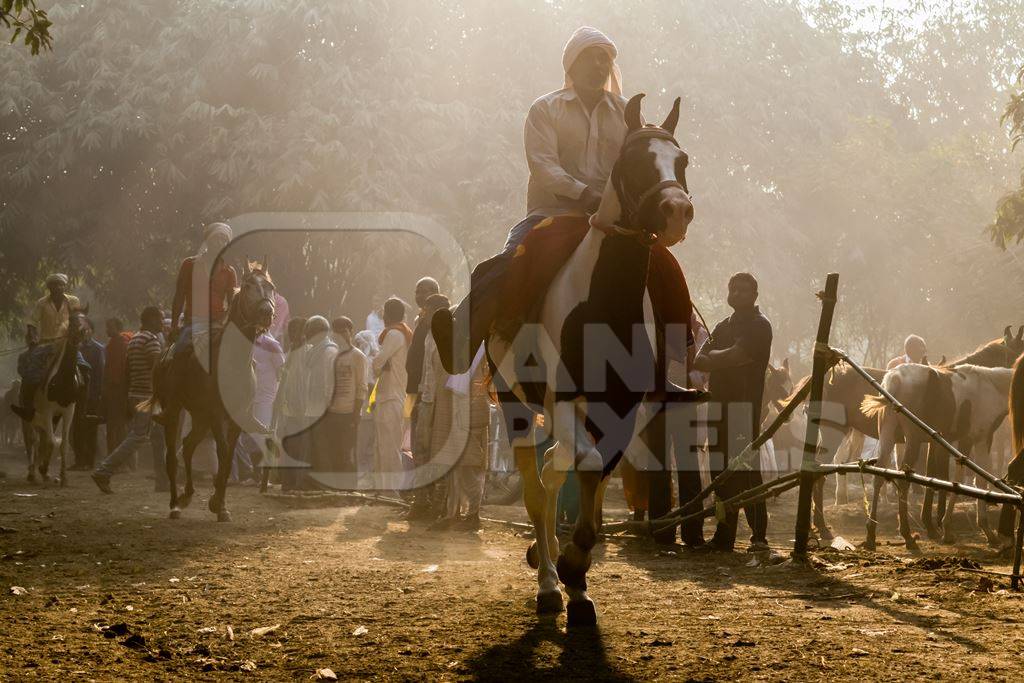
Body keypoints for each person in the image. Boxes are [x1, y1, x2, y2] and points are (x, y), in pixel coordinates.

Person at [432, 26, 628, 374]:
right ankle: (460, 337)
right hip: (553, 212)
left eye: (606, 58)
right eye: (592, 57)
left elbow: (635, 164)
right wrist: (586, 194)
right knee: (510, 262)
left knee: (658, 267)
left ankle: (679, 358)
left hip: (609, 217)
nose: (601, 64)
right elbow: (543, 167)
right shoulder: (546, 109)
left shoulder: (626, 114)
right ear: (572, 64)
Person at [692, 273, 773, 553]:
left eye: (743, 289)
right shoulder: (721, 326)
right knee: (720, 473)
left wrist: (717, 359)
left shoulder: (760, 327)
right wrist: (724, 358)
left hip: (744, 407)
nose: (737, 293)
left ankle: (758, 536)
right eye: (733, 289)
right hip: (719, 406)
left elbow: (735, 356)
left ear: (754, 294)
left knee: (746, 472)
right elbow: (699, 360)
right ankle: (724, 535)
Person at [91, 307, 168, 493]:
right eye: (160, 319)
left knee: (158, 437)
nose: (162, 324)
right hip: (147, 396)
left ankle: (163, 481)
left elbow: (127, 370)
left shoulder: (134, 339)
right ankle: (104, 470)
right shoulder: (151, 340)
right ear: (150, 319)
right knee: (138, 436)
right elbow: (158, 370)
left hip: (136, 394)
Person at [13, 273, 83, 421]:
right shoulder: (41, 303)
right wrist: (32, 338)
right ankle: (28, 408)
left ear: (65, 286)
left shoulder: (73, 301)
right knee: (31, 372)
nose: (57, 287)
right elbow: (32, 323)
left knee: (86, 369)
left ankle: (83, 410)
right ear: (49, 287)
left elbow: (78, 321)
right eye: (54, 285)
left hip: (67, 344)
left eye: (60, 284)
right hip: (46, 344)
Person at [410, 294, 452, 520]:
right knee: (421, 450)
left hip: (442, 402)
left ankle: (439, 505)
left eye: (427, 311)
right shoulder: (426, 334)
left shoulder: (447, 335)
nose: (423, 315)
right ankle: (421, 502)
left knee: (439, 453)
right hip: (426, 399)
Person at [170, 222, 237, 363]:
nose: (220, 242)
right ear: (207, 240)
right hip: (192, 324)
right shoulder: (189, 264)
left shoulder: (230, 272)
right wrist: (174, 326)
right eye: (216, 238)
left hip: (218, 324)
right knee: (178, 353)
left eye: (224, 240)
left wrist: (225, 324)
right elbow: (179, 297)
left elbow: (232, 305)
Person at [316, 316, 368, 485]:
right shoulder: (332, 356)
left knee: (348, 452)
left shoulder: (358, 357)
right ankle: (338, 489)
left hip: (349, 413)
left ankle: (349, 490)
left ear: (350, 332)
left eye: (344, 331)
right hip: (332, 412)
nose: (341, 335)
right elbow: (326, 385)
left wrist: (356, 413)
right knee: (334, 451)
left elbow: (362, 387)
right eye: (337, 332)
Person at [232, 330, 285, 483]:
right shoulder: (242, 344)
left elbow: (282, 373)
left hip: (266, 399)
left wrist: (279, 399)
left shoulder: (272, 345)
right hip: (247, 398)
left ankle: (268, 477)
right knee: (249, 439)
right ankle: (257, 476)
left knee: (263, 437)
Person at [373, 298, 412, 492]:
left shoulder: (395, 334)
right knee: (384, 447)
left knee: (389, 448)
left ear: (386, 315)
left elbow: (376, 364)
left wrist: (379, 364)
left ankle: (392, 492)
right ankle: (384, 491)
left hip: (391, 398)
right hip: (389, 397)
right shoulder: (399, 334)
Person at [303, 315, 340, 482]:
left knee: (324, 448)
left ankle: (327, 485)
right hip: (312, 408)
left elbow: (330, 384)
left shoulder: (329, 351)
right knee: (315, 448)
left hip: (323, 410)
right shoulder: (314, 352)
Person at [275, 317, 310, 491]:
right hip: (289, 410)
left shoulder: (309, 352)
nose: (294, 336)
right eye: (292, 332)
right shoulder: (289, 354)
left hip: (304, 410)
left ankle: (298, 482)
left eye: (297, 332)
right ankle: (288, 482)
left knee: (302, 447)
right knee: (290, 446)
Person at [70, 318, 105, 471]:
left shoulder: (98, 349)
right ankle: (79, 460)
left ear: (91, 330)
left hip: (91, 395)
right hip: (75, 395)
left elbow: (100, 373)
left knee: (90, 429)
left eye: (86, 328)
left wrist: (97, 394)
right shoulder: (73, 348)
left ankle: (89, 462)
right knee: (76, 428)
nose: (84, 332)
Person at [101, 318, 132, 457]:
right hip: (112, 389)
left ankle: (117, 459)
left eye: (109, 327)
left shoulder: (122, 344)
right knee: (114, 426)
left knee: (118, 426)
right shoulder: (112, 344)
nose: (107, 330)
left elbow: (122, 369)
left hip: (118, 389)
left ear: (117, 328)